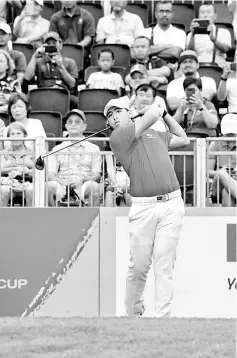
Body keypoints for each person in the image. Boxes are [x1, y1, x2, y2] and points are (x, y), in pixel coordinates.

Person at [104, 97, 189, 317]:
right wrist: (152, 109)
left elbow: (183, 139)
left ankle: (163, 319)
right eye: (109, 116)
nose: (113, 118)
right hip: (143, 208)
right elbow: (152, 114)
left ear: (128, 112)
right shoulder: (118, 136)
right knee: (139, 266)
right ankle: (133, 312)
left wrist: (166, 114)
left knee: (164, 262)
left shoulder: (154, 134)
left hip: (172, 203)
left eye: (117, 112)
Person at [47, 109, 102, 207]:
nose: (73, 124)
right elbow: (51, 175)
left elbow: (96, 175)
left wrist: (82, 181)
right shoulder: (57, 148)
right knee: (49, 186)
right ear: (66, 126)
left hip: (84, 184)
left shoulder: (94, 148)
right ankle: (52, 220)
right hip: (62, 184)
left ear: (84, 127)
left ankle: (94, 221)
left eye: (77, 122)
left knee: (94, 186)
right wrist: (62, 182)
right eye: (70, 122)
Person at [24, 31, 78, 109]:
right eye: (48, 44)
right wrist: (34, 56)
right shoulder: (38, 62)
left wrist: (61, 67)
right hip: (43, 94)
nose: (51, 45)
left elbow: (72, 84)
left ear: (60, 44)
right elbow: (27, 77)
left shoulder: (70, 62)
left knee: (78, 102)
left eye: (54, 43)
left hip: (63, 94)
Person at [0, 122, 34, 207]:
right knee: (3, 190)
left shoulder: (34, 153)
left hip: (28, 182)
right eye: (12, 134)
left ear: (25, 136)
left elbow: (39, 171)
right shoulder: (4, 153)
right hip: (8, 183)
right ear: (8, 137)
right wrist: (13, 170)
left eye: (18, 133)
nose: (15, 136)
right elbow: (1, 169)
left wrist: (27, 171)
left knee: (31, 190)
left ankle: (31, 218)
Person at [208, 114, 237, 207]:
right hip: (218, 184)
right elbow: (207, 171)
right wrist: (223, 173)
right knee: (221, 174)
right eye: (228, 133)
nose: (230, 135)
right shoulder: (215, 144)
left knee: (226, 192)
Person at [0, 50, 21, 115]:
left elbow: (17, 104)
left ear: (7, 65)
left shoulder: (14, 83)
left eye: (1, 61)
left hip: (7, 118)